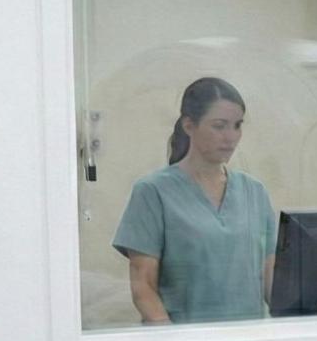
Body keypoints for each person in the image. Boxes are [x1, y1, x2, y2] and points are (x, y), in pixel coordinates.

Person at [113, 77, 278, 324]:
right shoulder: (153, 192)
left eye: (237, 126)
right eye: (219, 126)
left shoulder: (254, 192)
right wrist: (173, 340)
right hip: (184, 340)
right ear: (189, 125)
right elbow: (143, 288)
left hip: (248, 339)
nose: (231, 137)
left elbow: (271, 278)